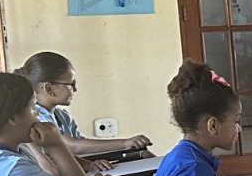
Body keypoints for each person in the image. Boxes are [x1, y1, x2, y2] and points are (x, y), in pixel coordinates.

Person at [134, 62, 240, 176]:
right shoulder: (195, 170)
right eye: (236, 121)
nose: (239, 128)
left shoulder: (179, 154)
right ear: (213, 125)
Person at [16, 51, 151, 159]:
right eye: (71, 84)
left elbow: (82, 145)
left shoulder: (62, 116)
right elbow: (73, 147)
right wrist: (125, 143)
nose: (75, 89)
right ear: (48, 89)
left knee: (143, 154)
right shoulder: (36, 116)